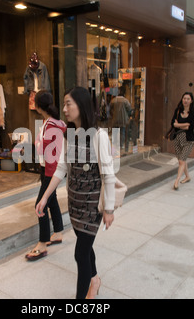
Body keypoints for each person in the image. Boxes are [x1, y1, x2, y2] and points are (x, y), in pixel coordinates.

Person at [35, 87, 116, 299]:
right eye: (64, 103)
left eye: (68, 103)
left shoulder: (99, 137)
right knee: (85, 248)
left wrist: (109, 209)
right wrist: (44, 197)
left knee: (80, 253)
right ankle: (95, 280)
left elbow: (108, 175)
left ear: (81, 105)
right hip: (74, 204)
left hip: (91, 207)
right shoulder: (69, 136)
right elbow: (61, 169)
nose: (64, 108)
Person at [25, 91, 67, 261]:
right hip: (49, 169)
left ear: (38, 105)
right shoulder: (53, 122)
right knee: (52, 200)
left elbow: (48, 153)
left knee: (40, 205)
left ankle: (42, 244)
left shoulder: (50, 125)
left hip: (51, 170)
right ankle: (57, 233)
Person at [170, 92, 194, 190]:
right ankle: (187, 176)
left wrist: (178, 125)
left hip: (188, 139)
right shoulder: (178, 110)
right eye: (184, 98)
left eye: (188, 99)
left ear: (191, 101)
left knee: (181, 161)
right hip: (177, 138)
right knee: (182, 160)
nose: (185, 100)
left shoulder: (193, 111)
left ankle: (177, 180)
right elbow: (173, 123)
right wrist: (184, 125)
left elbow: (191, 126)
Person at [110, 86, 132, 153]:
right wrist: (129, 116)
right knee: (122, 132)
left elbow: (110, 110)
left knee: (114, 132)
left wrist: (113, 115)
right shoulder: (125, 101)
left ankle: (114, 145)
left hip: (115, 119)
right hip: (123, 119)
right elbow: (129, 110)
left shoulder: (113, 101)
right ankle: (121, 145)